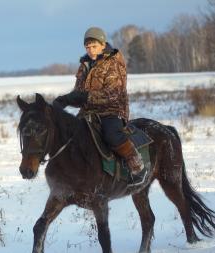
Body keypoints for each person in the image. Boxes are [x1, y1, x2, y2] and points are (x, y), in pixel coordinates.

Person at [53, 26, 147, 185]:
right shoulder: (84, 65)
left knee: (112, 135)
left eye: (94, 46)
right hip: (88, 112)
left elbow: (113, 94)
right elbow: (79, 93)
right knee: (69, 135)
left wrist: (85, 96)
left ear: (103, 44)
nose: (90, 50)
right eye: (87, 47)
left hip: (112, 110)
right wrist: (65, 100)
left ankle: (136, 165)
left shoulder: (113, 63)